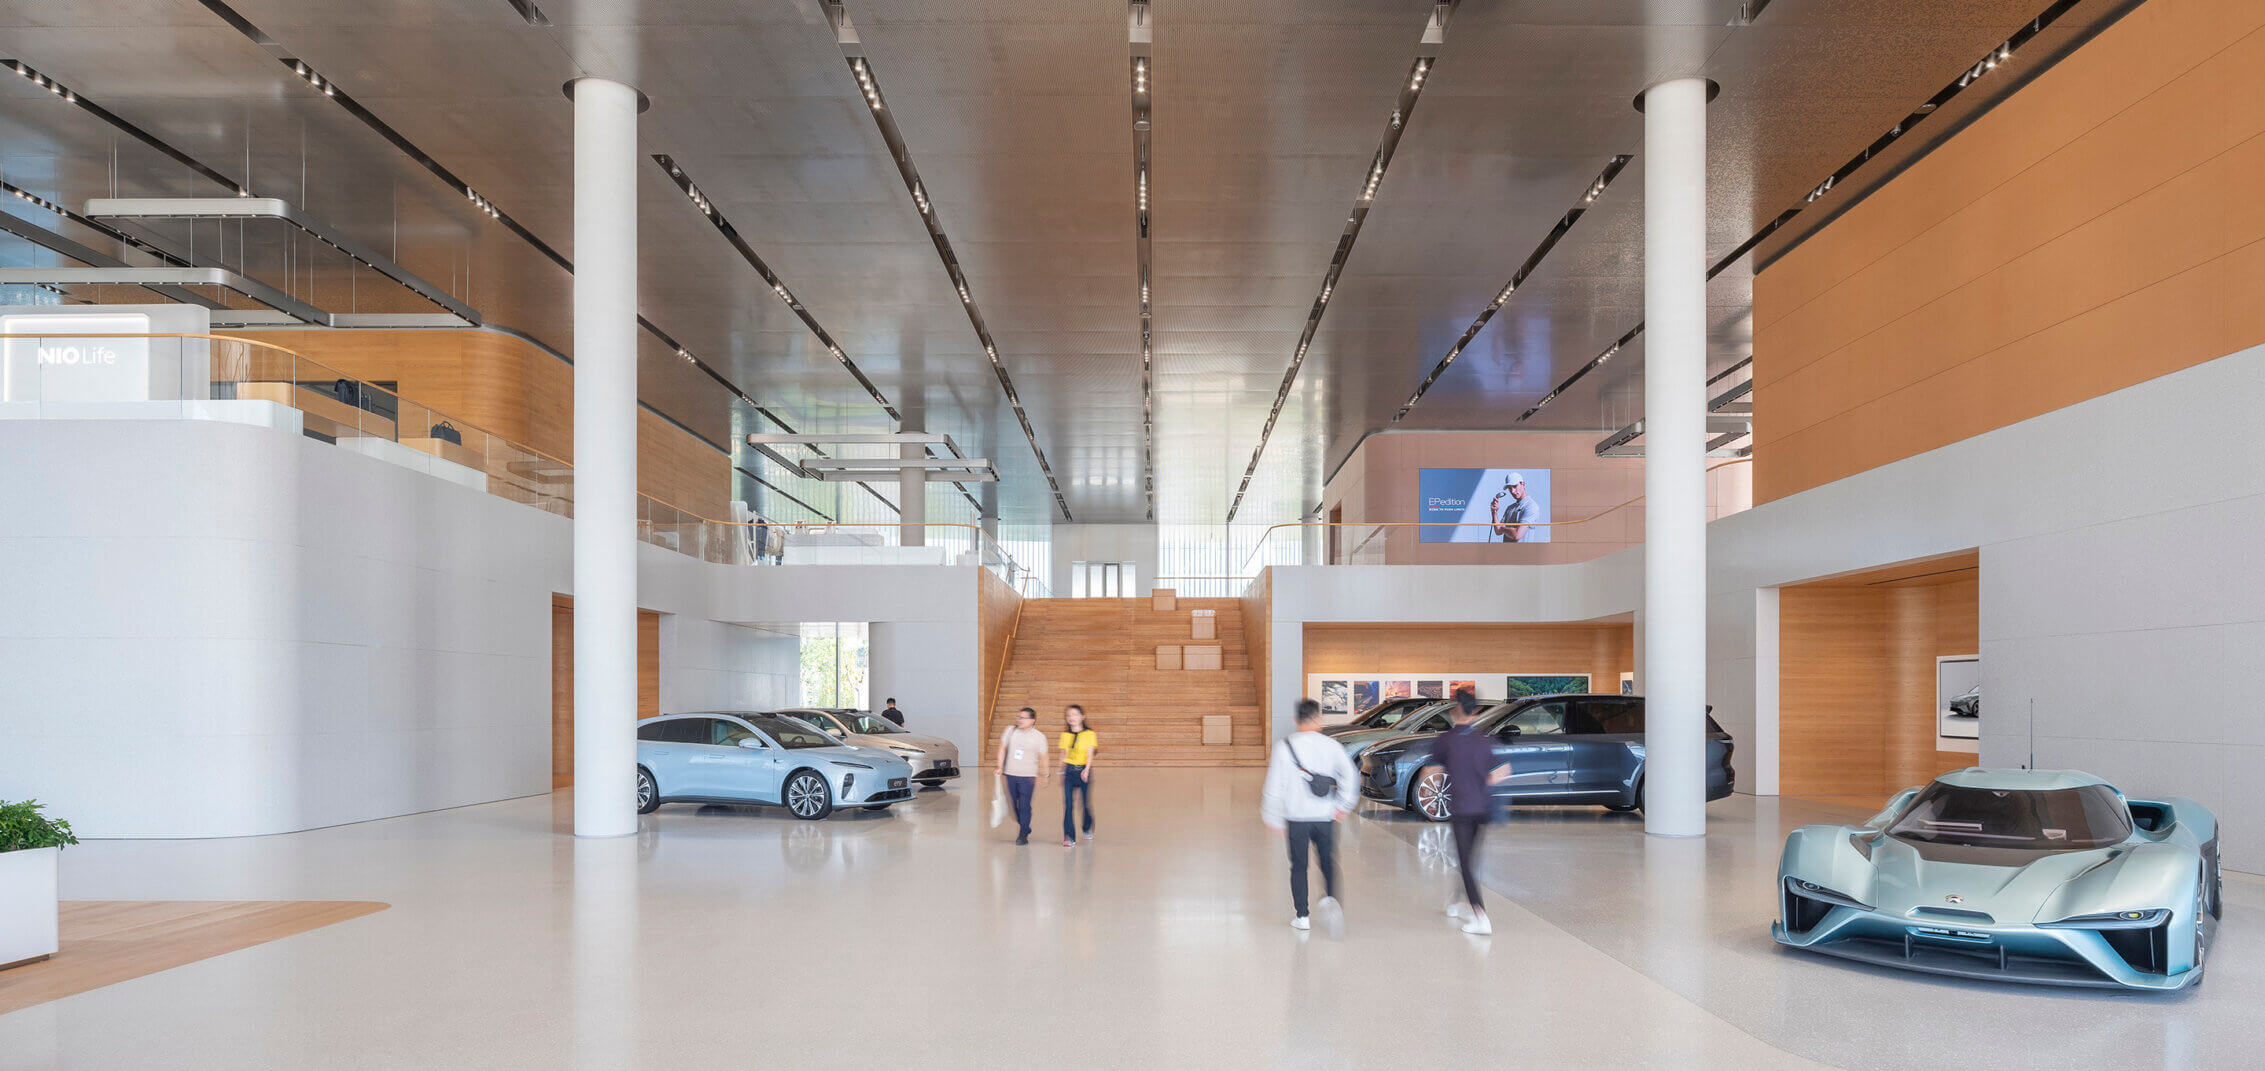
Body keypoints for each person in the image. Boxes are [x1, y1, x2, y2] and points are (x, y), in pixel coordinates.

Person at [1261, 698, 1359, 932]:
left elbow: (1274, 786)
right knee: (1328, 862)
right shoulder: (1331, 745)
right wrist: (1344, 805)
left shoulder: (1284, 746)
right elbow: (1350, 776)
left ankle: (1302, 917)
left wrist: (1272, 817)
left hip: (1296, 818)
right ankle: (1331, 902)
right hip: (1325, 816)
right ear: (1317, 719)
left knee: (1298, 866)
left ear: (1295, 720)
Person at [1423, 688, 1511, 934]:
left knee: (1465, 862)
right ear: (1476, 711)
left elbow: (1431, 772)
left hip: (1461, 809)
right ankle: (1454, 900)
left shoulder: (1446, 740)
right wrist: (1481, 783)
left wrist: (1431, 803)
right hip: (1482, 808)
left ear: (1455, 711)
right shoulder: (1485, 739)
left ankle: (1480, 916)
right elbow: (1503, 771)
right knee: (1468, 858)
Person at [995, 707, 1050, 845]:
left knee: (1025, 804)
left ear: (1032, 720)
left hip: (1028, 776)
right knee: (1014, 804)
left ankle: (1023, 833)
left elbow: (1044, 756)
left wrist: (1045, 774)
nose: (1019, 720)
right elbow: (1002, 748)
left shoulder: (1039, 736)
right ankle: (1025, 825)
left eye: (1023, 717)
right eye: (1018, 717)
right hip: (1011, 774)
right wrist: (1000, 766)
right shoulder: (1010, 730)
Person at [1059, 705, 1099, 847]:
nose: (1072, 717)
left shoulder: (1089, 734)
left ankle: (1087, 827)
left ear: (1082, 717)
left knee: (1084, 803)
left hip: (1083, 771)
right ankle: (1069, 837)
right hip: (1069, 771)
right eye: (1069, 715)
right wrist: (1061, 772)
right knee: (1068, 805)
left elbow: (1090, 753)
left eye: (1075, 714)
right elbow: (1063, 755)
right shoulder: (1065, 735)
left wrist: (1087, 769)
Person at [1489, 473, 1534, 543]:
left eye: (1515, 486)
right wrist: (1494, 512)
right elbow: (1498, 531)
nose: (1512, 491)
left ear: (1523, 484)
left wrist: (1502, 528)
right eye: (1510, 488)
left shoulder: (1531, 506)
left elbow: (1517, 535)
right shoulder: (1510, 508)